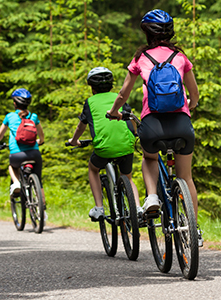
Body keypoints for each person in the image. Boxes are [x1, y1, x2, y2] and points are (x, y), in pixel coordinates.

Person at [107, 9, 203, 246]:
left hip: (153, 125)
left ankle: (151, 198)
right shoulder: (180, 57)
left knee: (149, 158)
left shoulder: (140, 58)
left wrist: (113, 112)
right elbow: (195, 95)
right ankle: (193, 229)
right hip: (181, 124)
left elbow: (123, 93)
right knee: (186, 176)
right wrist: (188, 107)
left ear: (147, 33)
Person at [68, 67, 141, 221]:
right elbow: (130, 119)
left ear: (92, 87)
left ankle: (99, 208)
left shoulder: (90, 102)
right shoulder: (119, 97)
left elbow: (81, 125)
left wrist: (74, 141)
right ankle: (138, 209)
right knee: (128, 176)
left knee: (93, 168)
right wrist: (134, 134)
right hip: (127, 144)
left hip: (104, 148)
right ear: (111, 85)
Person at [0, 88, 46, 216]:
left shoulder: (10, 116)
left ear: (14, 103)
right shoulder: (34, 116)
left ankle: (16, 183)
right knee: (39, 180)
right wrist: (40, 141)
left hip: (16, 154)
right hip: (34, 154)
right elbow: (42, 137)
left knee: (12, 166)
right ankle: (42, 205)